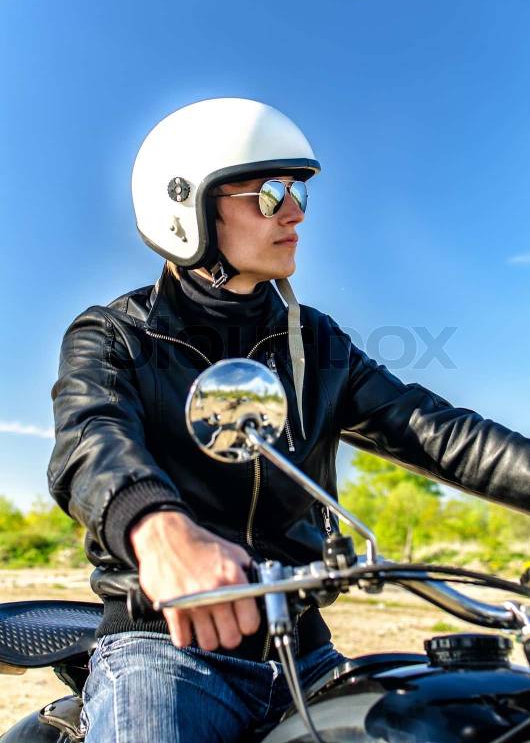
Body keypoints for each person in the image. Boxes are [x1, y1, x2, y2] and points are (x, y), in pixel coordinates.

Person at [48, 97, 530, 742]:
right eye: (271, 195)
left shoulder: (315, 343)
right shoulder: (116, 336)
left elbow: (436, 432)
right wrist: (159, 529)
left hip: (303, 652)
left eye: (298, 193)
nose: (296, 212)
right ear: (187, 206)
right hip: (165, 646)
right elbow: (91, 438)